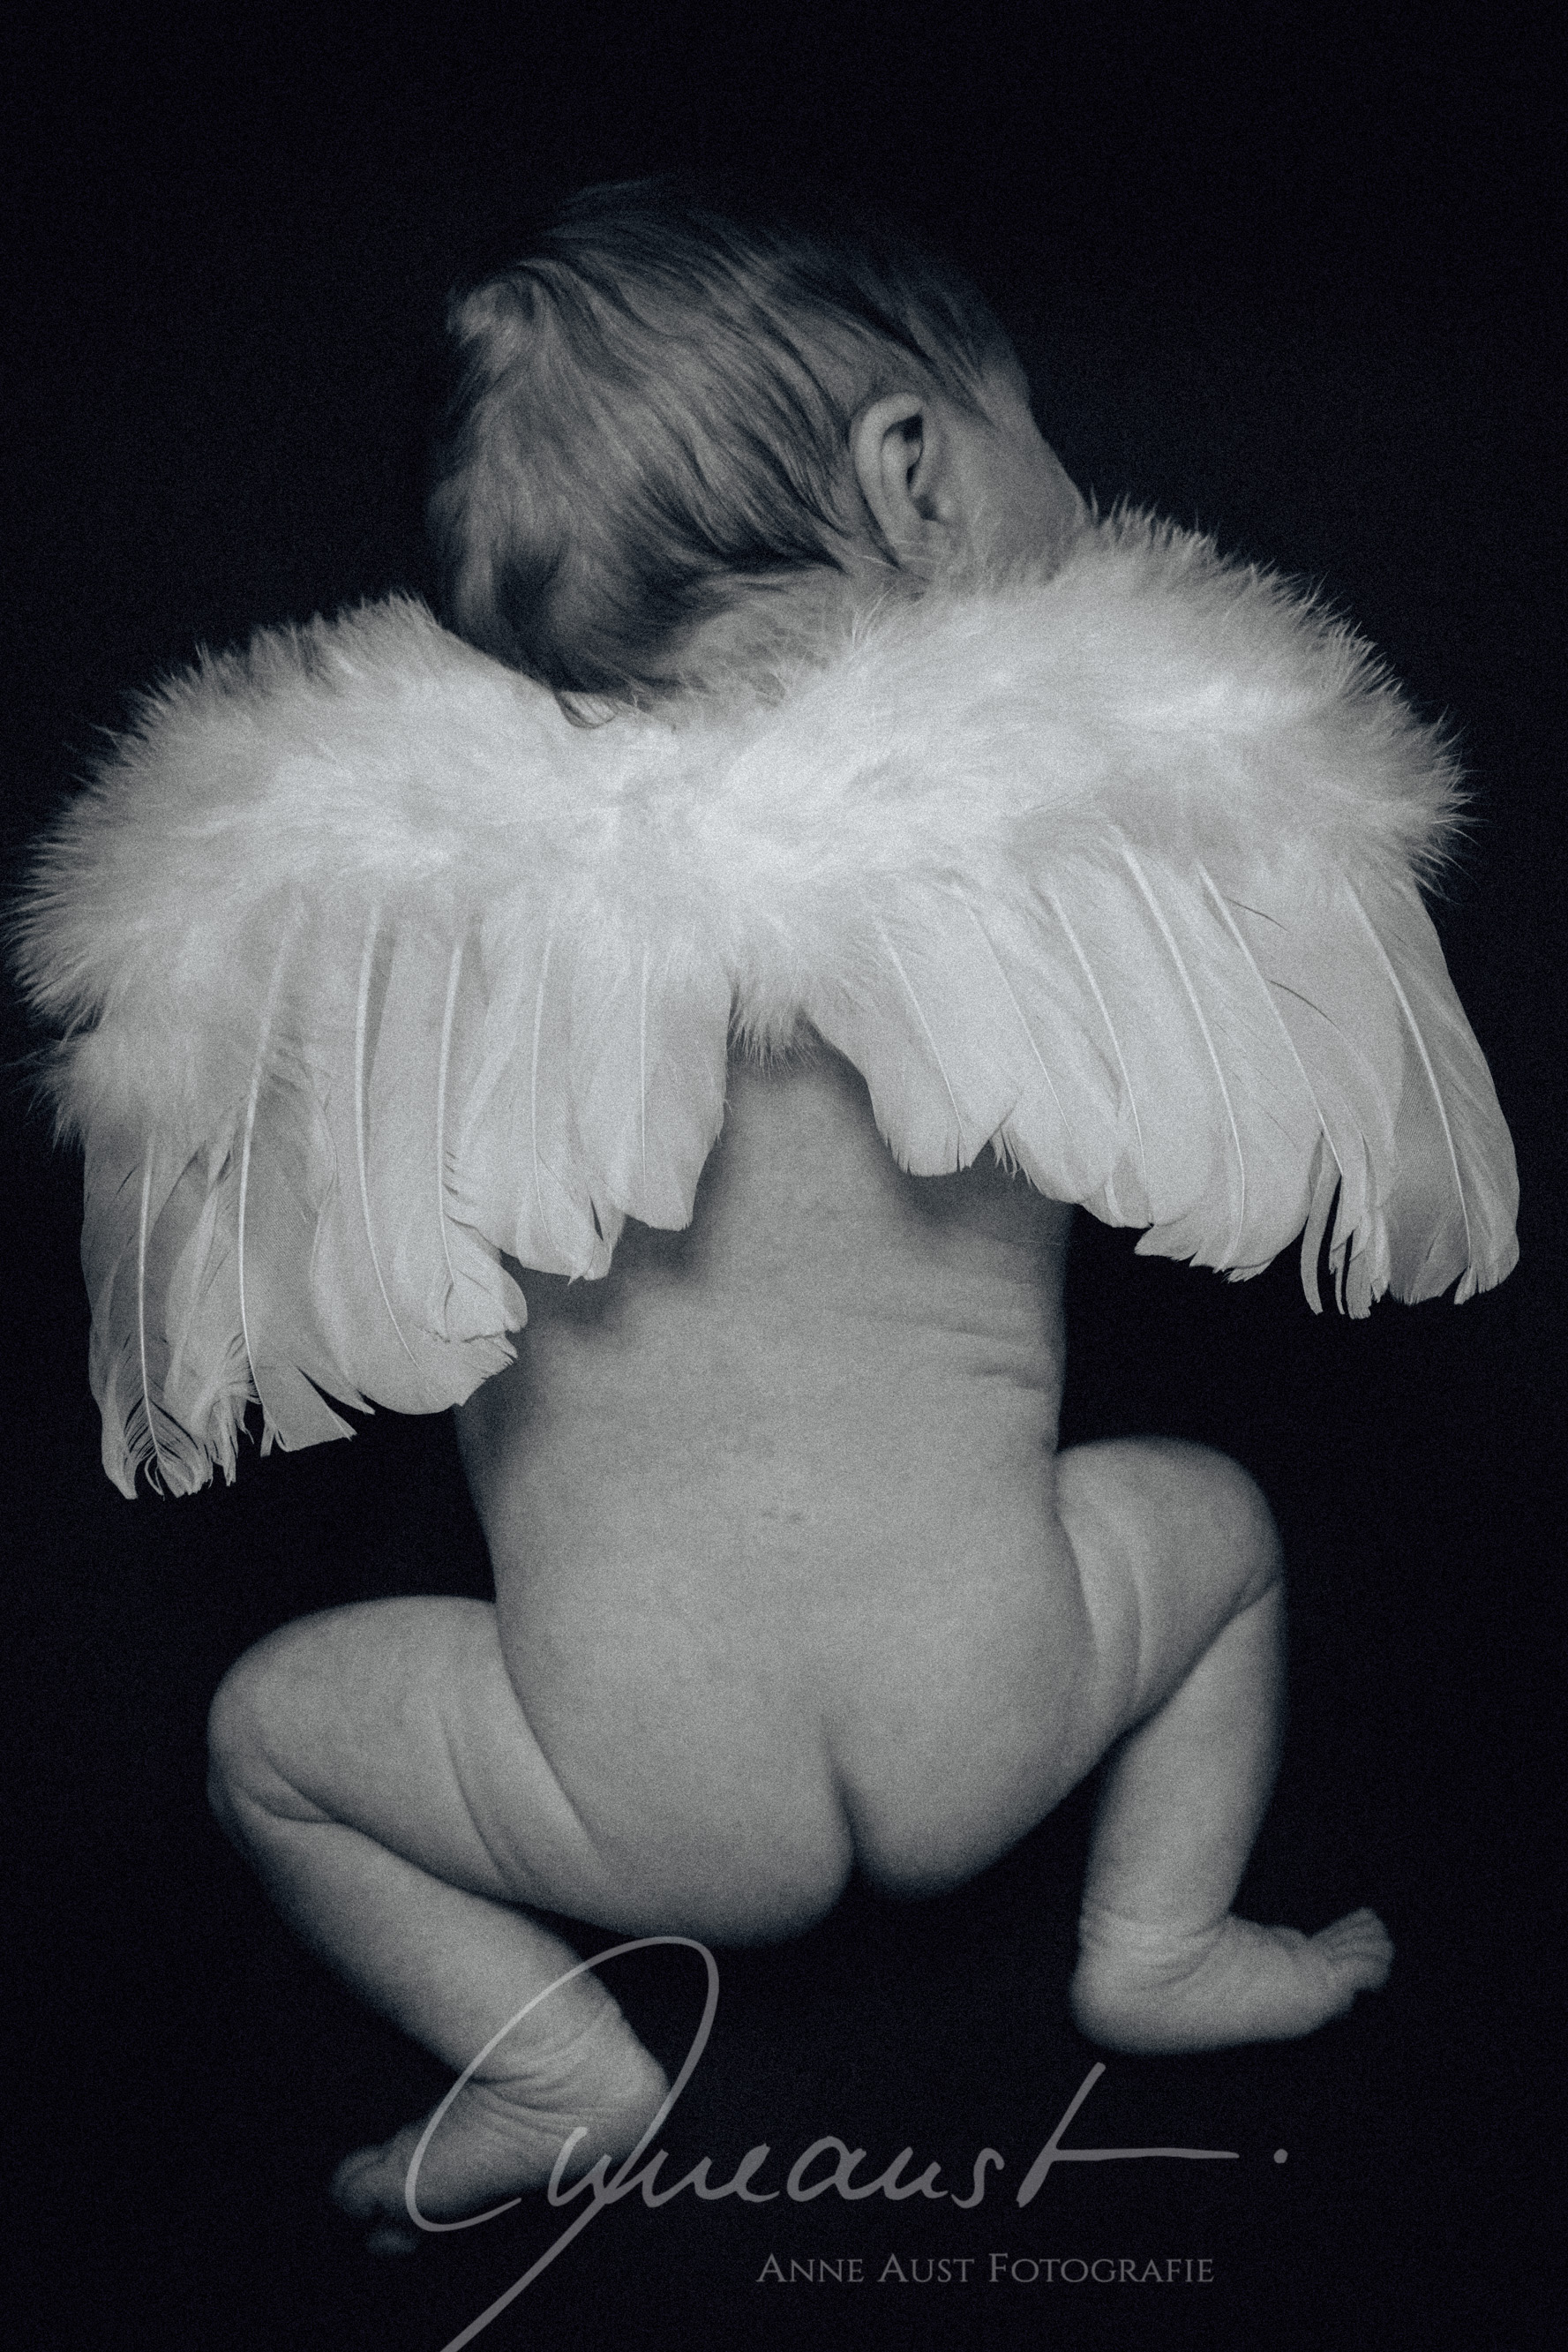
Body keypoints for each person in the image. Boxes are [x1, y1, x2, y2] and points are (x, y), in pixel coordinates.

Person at [11, 184, 1515, 2235]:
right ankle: (1154, 1942)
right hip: (1003, 1698)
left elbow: (236, 1119)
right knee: (1220, 1529)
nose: (1075, 490)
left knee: (267, 1737)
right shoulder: (1061, 833)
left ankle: (556, 2060)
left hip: (622, 1783)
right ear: (914, 471)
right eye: (1031, 434)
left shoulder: (414, 911)